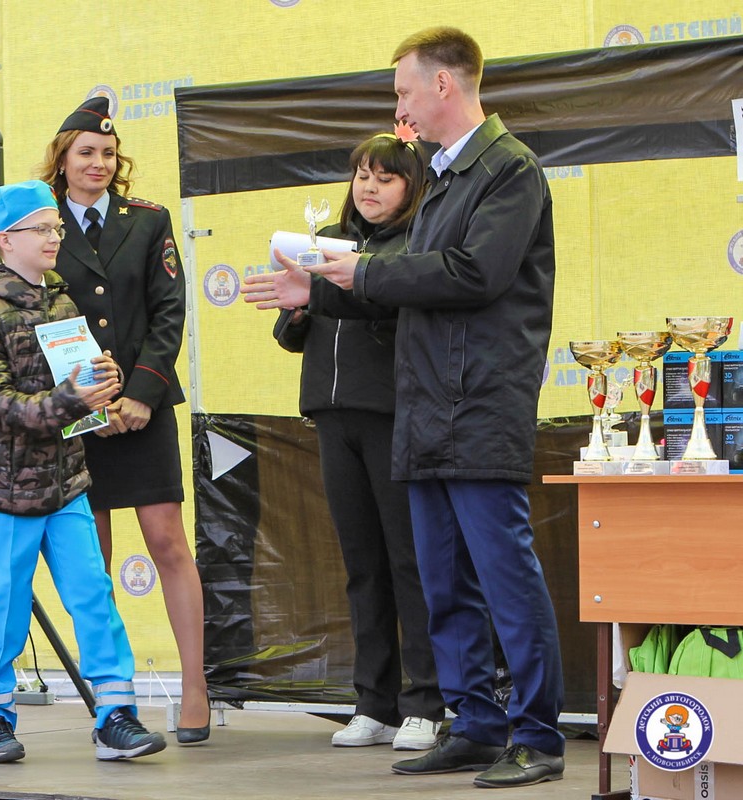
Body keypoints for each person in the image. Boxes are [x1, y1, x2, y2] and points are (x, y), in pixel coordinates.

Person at [242, 27, 565, 789]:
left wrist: (356, 271)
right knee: (442, 582)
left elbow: (472, 273)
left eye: (404, 91)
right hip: (422, 406)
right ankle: (474, 725)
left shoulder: (508, 169)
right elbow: (405, 288)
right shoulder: (444, 177)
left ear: (443, 85)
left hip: (478, 404)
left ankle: (538, 736)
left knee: (504, 577)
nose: (400, 106)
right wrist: (317, 291)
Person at [0, 179, 166, 764]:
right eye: (42, 229)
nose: (56, 237)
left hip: (66, 483)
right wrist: (72, 400)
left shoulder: (62, 302)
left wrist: (101, 391)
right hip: (5, 492)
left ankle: (115, 716)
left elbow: (74, 391)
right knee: (3, 607)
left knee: (93, 595)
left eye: (56, 226)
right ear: (6, 240)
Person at [40, 97, 210, 744]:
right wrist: (89, 401)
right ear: (62, 158)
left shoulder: (148, 219)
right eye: (86, 152)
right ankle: (115, 701)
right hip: (79, 412)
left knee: (168, 543)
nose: (99, 163)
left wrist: (140, 393)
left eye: (108, 153)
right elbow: (38, 320)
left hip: (145, 408)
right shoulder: (41, 224)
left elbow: (170, 311)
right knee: (94, 559)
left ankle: (195, 687)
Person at [273, 133, 444, 752]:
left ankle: (426, 703)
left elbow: (400, 315)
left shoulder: (413, 250)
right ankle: (375, 703)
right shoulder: (327, 243)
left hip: (392, 416)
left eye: (385, 178)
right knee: (362, 566)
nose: (369, 188)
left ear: (412, 188)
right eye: (362, 176)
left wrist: (336, 289)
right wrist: (296, 311)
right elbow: (291, 335)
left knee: (409, 562)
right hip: (331, 415)